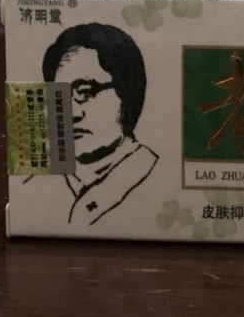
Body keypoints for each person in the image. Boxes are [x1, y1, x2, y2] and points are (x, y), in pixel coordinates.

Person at [42, 23, 158, 227]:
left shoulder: (154, 176)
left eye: (85, 92)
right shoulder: (40, 185)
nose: (72, 114)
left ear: (126, 93)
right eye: (60, 96)